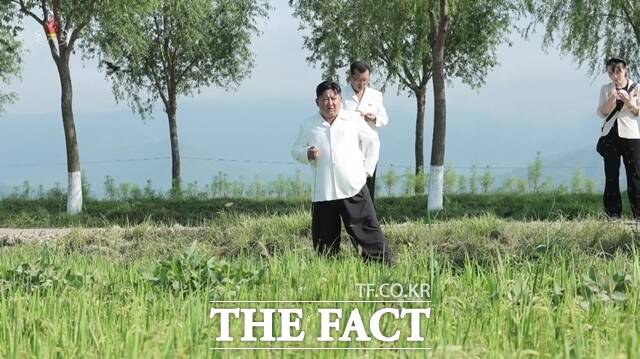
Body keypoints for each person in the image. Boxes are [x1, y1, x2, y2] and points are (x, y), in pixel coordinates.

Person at [292, 80, 394, 264]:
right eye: (324, 99)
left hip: (352, 186)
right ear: (317, 102)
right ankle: (327, 270)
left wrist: (367, 171)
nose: (330, 103)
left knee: (366, 230)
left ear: (340, 99)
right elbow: (296, 150)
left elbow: (373, 142)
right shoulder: (308, 124)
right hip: (323, 190)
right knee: (324, 239)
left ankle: (382, 265)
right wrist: (306, 154)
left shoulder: (353, 119)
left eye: (333, 98)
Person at [596, 57, 640, 219]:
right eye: (610, 73)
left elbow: (637, 112)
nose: (614, 76)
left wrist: (629, 102)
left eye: (618, 71)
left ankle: (638, 214)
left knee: (635, 174)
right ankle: (613, 214)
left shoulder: (636, 87)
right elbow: (601, 113)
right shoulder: (606, 89)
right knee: (611, 174)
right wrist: (611, 98)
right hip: (610, 135)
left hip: (631, 135)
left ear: (625, 69)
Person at [342, 61, 389, 203]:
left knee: (368, 186)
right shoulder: (341, 94)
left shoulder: (375, 95)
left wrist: (375, 118)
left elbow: (384, 119)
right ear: (351, 77)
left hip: (369, 148)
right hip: (349, 147)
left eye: (365, 80)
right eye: (359, 80)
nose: (362, 84)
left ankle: (369, 219)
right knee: (349, 187)